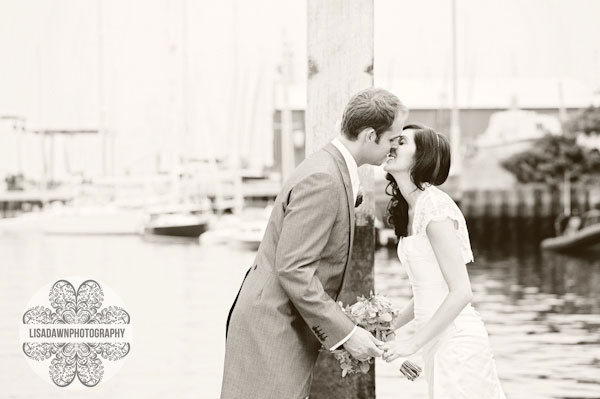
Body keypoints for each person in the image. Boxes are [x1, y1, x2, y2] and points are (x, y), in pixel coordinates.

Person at [220, 87, 408, 399]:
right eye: (392, 139)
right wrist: (347, 333)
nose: (394, 147)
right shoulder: (324, 179)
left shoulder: (334, 170)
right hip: (272, 325)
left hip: (284, 320)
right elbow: (294, 268)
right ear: (370, 136)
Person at [380, 124, 506, 398]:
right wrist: (388, 328)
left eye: (401, 142)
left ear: (421, 157)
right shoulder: (410, 208)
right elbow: (428, 290)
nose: (391, 145)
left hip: (457, 341)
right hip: (434, 341)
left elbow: (461, 292)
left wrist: (411, 344)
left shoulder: (434, 209)